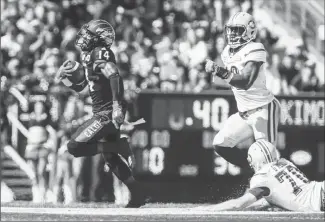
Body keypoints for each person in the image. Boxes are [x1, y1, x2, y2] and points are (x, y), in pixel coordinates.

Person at [55, 19, 145, 208]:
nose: (83, 38)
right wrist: (65, 80)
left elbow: (114, 75)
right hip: (104, 110)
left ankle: (120, 146)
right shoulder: (89, 55)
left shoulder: (99, 52)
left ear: (98, 38)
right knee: (111, 159)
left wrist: (116, 107)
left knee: (73, 147)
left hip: (106, 113)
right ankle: (137, 195)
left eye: (88, 35)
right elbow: (85, 89)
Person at [205, 12, 281, 169]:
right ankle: (253, 172)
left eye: (237, 30)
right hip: (244, 113)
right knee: (220, 144)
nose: (232, 34)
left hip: (263, 109)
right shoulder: (226, 52)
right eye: (230, 30)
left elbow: (246, 82)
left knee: (267, 159)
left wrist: (219, 71)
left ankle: (284, 184)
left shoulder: (256, 48)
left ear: (249, 31)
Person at [197, 140, 324, 211]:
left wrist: (209, 209)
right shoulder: (284, 163)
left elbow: (238, 204)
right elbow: (268, 201)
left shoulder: (263, 177)